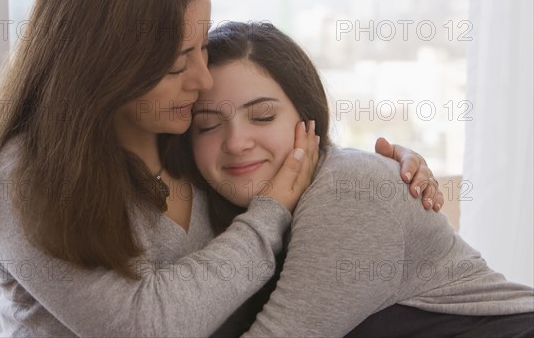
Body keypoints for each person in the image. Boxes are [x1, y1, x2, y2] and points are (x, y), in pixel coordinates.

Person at [0, 0, 442, 336]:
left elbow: (289, 162)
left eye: (202, 47)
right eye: (177, 63)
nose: (202, 78)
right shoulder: (30, 174)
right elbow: (145, 325)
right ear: (103, 66)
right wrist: (269, 214)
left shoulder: (189, 138)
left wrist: (386, 174)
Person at [189, 21, 534, 337]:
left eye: (263, 117)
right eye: (207, 124)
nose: (236, 143)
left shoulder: (349, 190)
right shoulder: (229, 219)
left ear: (309, 120)